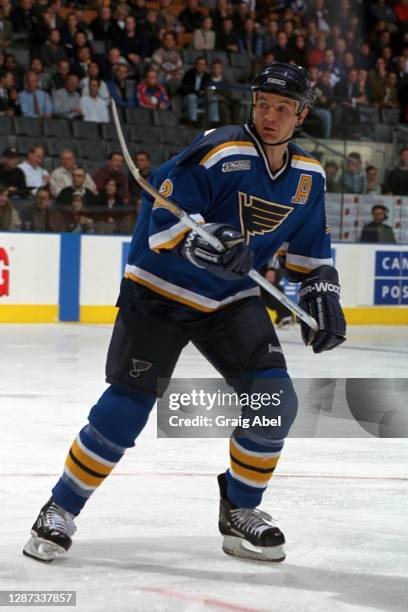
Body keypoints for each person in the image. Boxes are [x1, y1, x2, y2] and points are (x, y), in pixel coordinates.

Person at [23, 62, 346, 565]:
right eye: (262, 104)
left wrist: (323, 297)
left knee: (275, 401)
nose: (269, 115)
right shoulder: (219, 149)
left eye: (282, 108)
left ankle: (240, 511)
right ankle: (59, 508)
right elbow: (163, 222)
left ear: (301, 115)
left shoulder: (308, 177)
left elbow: (310, 251)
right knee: (126, 407)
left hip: (228, 300)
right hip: (160, 289)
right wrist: (210, 243)